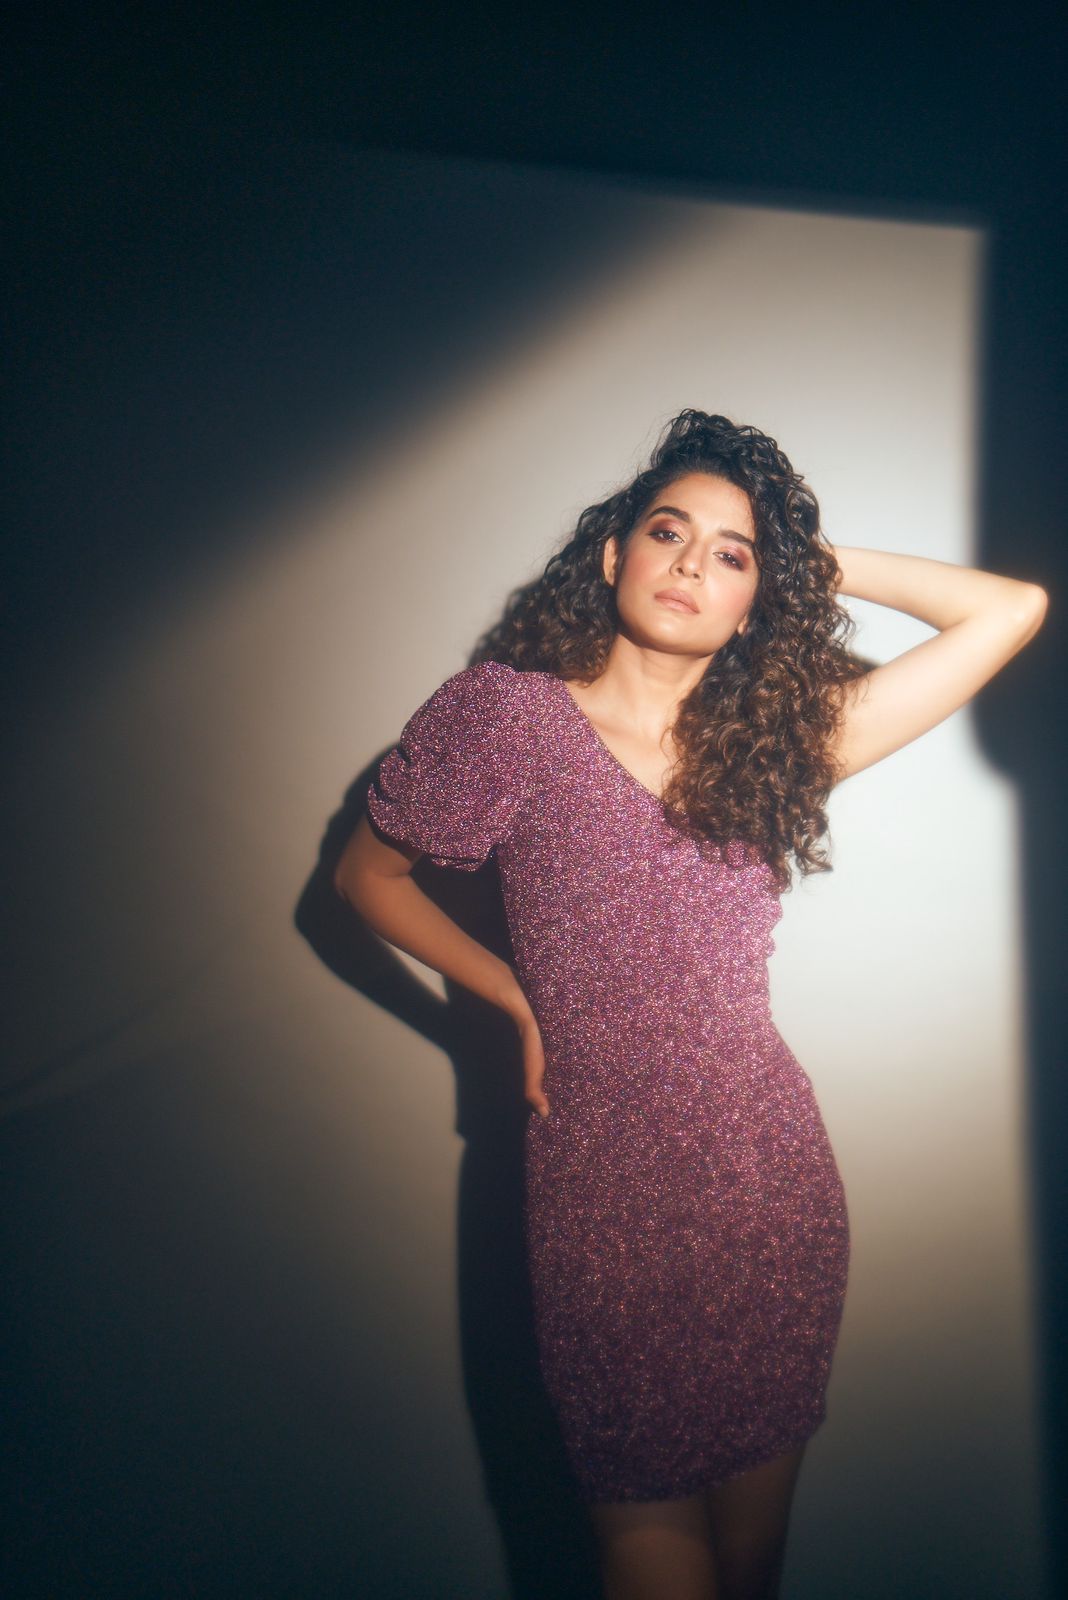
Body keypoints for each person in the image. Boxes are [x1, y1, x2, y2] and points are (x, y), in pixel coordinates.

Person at [333, 410, 1046, 1600]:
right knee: (648, 1547)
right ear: (615, 551)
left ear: (758, 596)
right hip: (598, 1193)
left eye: (732, 554)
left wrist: (804, 555)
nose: (692, 566)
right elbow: (363, 879)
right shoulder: (507, 717)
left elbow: (1010, 608)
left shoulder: (774, 745)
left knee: (753, 1565)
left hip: (766, 1183)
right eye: (669, 533)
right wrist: (509, 995)